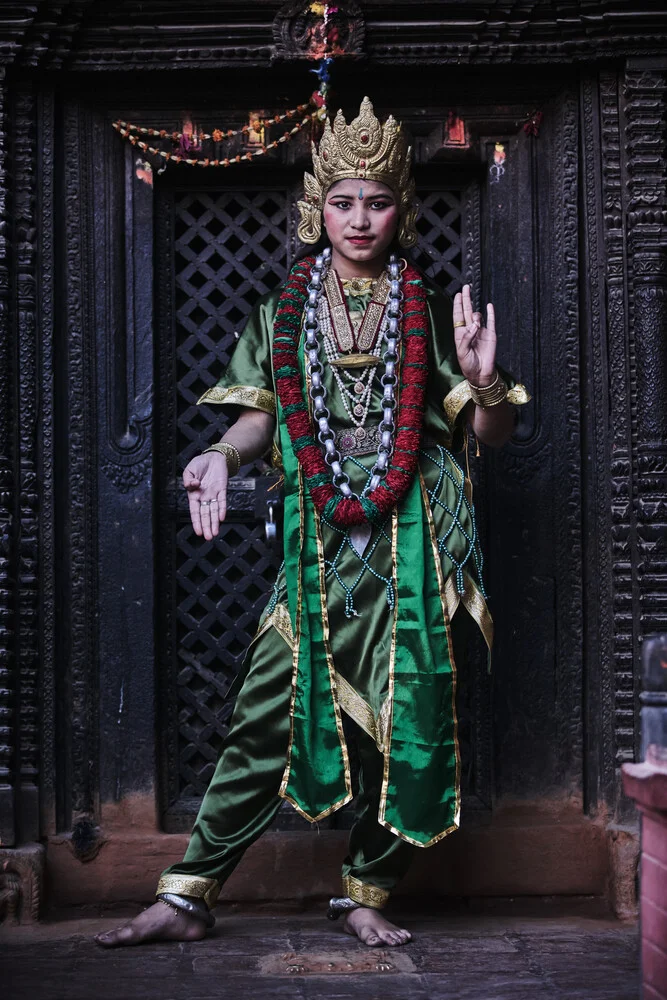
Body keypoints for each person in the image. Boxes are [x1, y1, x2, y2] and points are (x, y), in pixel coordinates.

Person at [96, 97, 529, 950]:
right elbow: (259, 416)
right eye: (343, 201)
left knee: (409, 726)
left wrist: (481, 381)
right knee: (262, 715)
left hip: (412, 550)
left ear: (400, 208)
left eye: (376, 201)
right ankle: (187, 895)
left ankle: (366, 891)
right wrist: (222, 454)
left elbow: (489, 434)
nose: (359, 219)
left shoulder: (432, 313)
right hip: (318, 552)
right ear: (316, 209)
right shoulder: (278, 316)